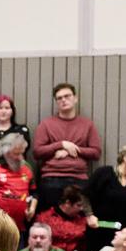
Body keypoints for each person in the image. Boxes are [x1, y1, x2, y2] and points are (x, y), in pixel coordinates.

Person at [32, 82, 102, 215]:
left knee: (79, 222)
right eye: (59, 98)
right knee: (49, 220)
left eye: (67, 96)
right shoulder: (46, 124)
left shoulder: (87, 124)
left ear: (75, 98)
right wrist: (61, 144)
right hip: (52, 178)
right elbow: (37, 152)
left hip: (78, 178)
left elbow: (96, 152)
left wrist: (73, 149)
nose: (63, 100)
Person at [83, 145, 126, 251]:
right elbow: (84, 195)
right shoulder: (104, 173)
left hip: (121, 235)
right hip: (98, 230)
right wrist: (89, 215)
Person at [0, 133, 37, 235]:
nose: (20, 158)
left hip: (19, 228)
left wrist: (32, 208)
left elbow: (34, 192)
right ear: (5, 153)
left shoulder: (26, 166)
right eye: (16, 154)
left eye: (22, 153)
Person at [33, 184, 92, 251]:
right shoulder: (44, 219)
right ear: (67, 203)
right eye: (78, 205)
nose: (81, 209)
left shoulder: (83, 220)